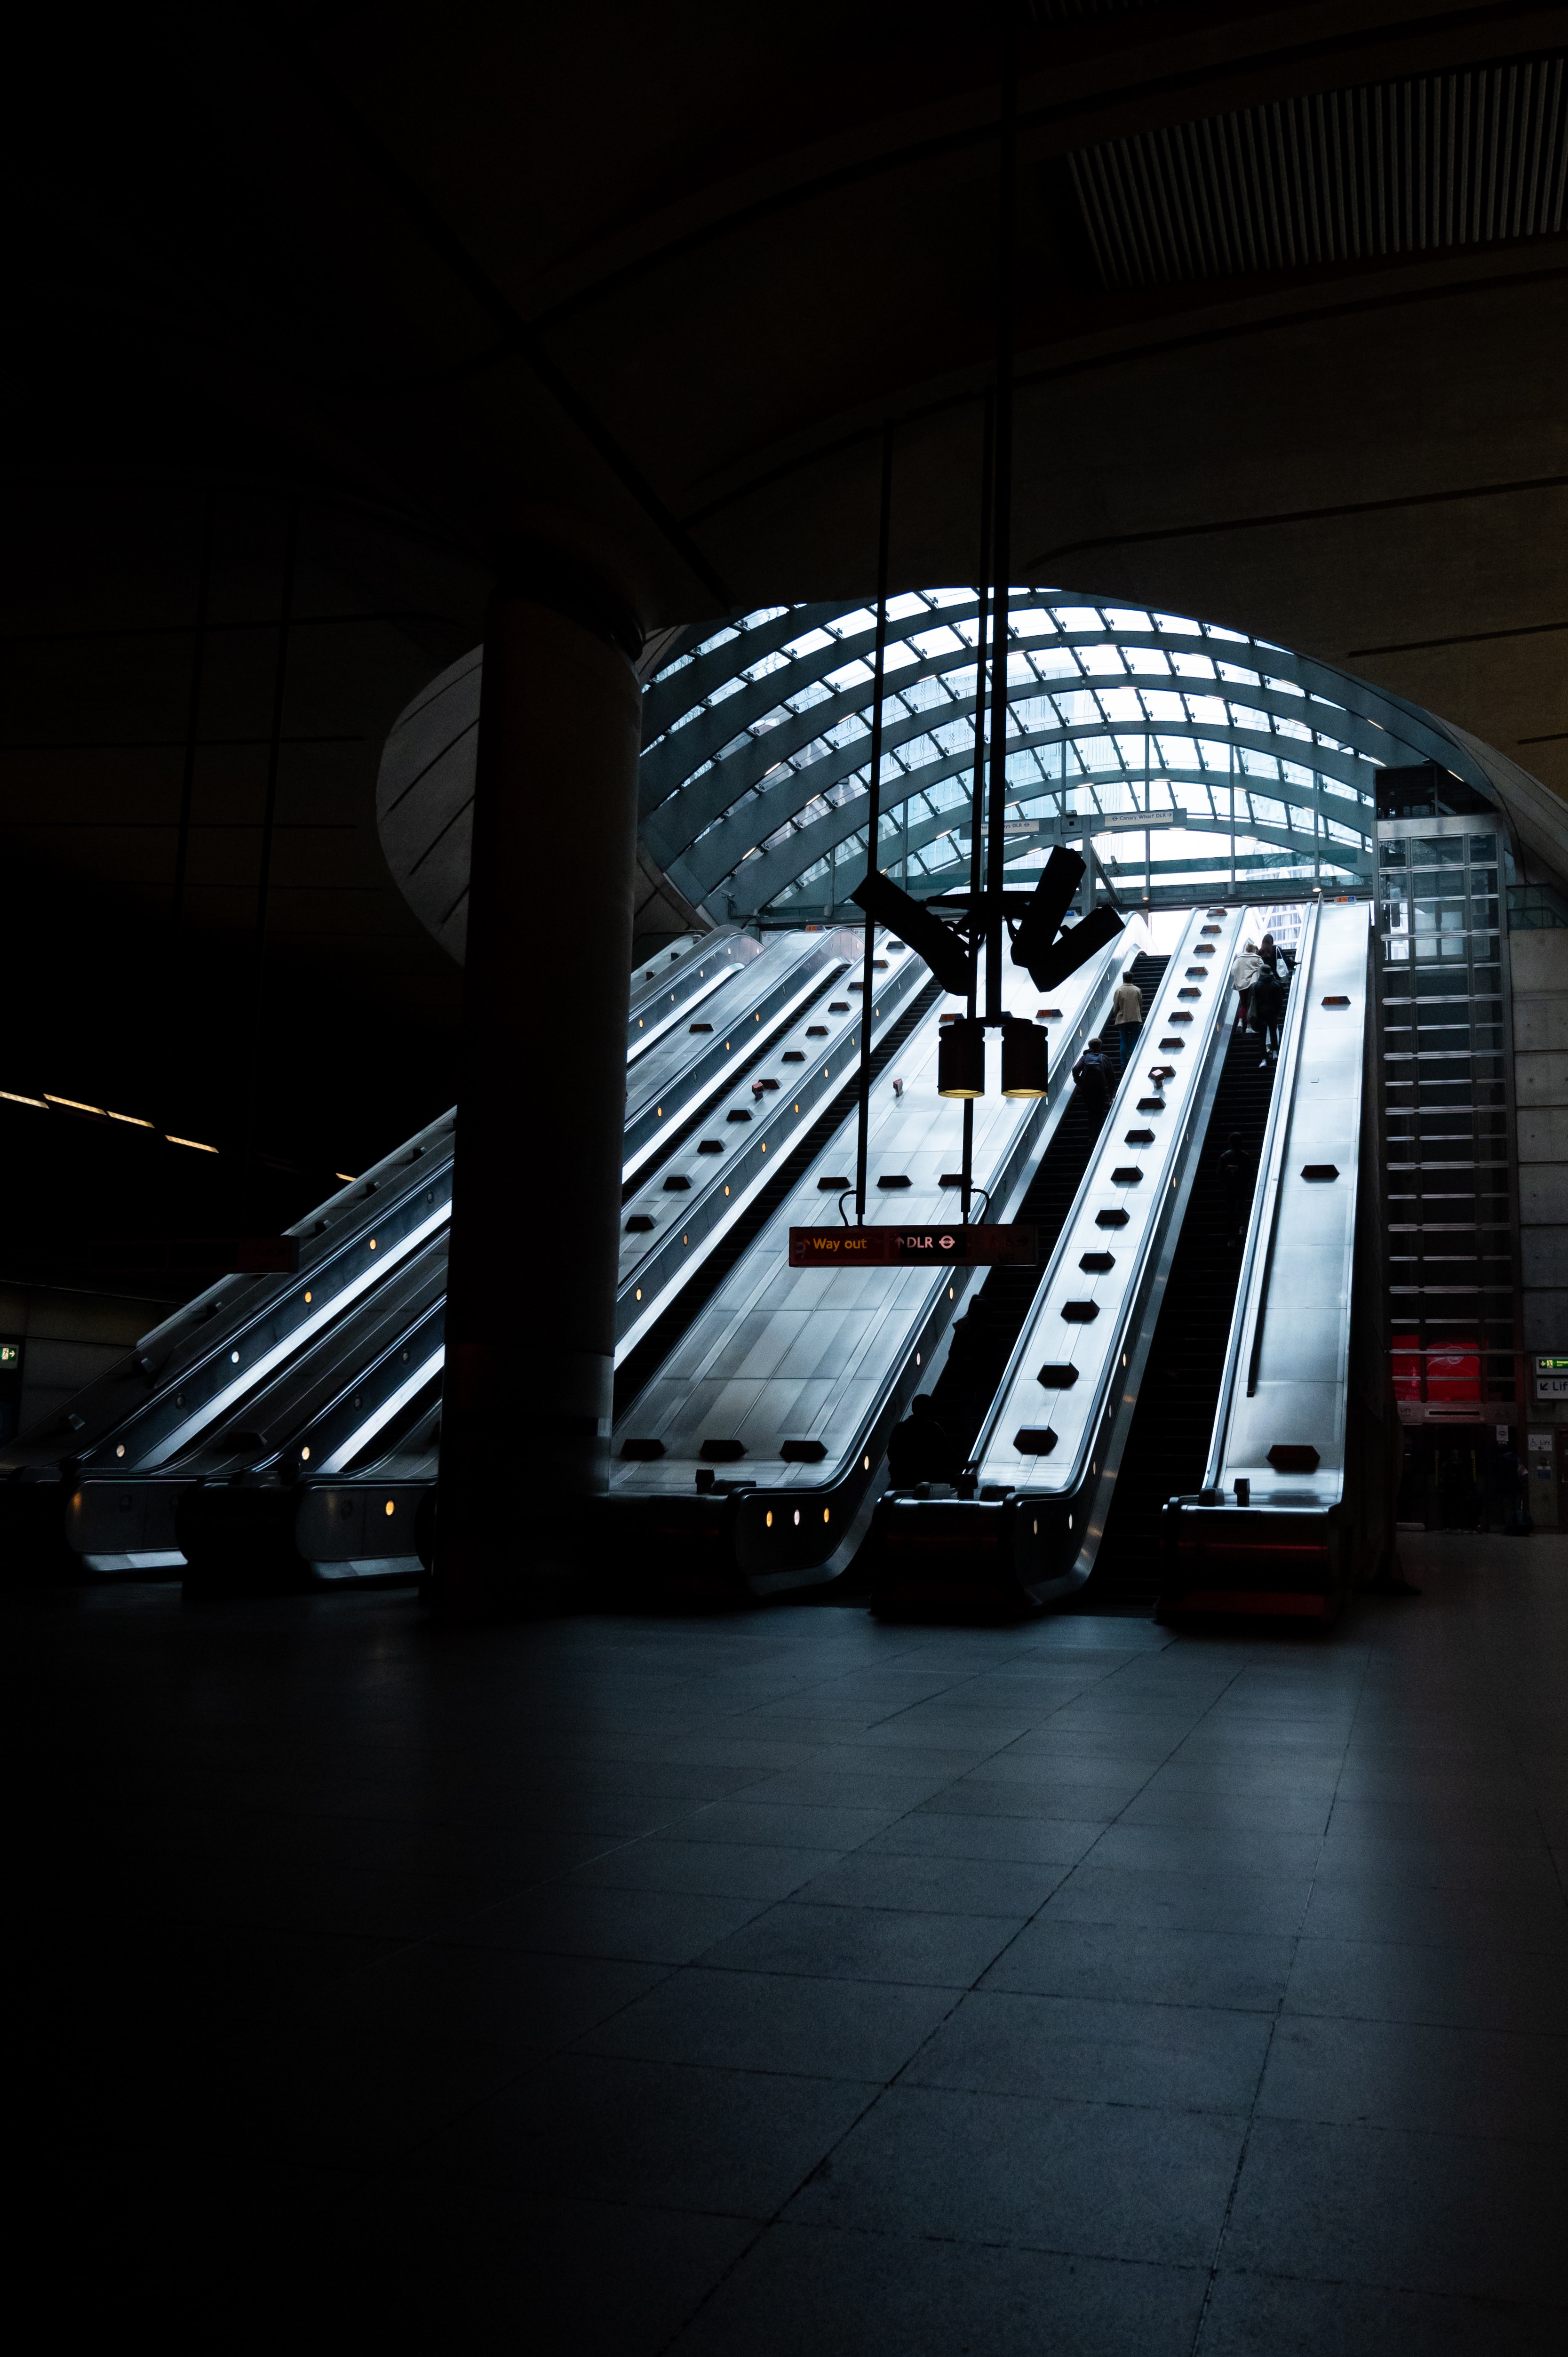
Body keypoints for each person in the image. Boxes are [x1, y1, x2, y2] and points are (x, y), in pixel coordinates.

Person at [886, 1392, 959, 1489]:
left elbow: (892, 1452)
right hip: (926, 1481)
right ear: (929, 1410)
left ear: (913, 1409)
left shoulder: (900, 1427)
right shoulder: (933, 1429)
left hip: (900, 1480)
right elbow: (949, 1453)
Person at [1253, 934, 1288, 1064]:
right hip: (1273, 1012)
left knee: (1263, 1035)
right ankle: (1275, 1052)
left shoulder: (1257, 986)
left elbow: (1255, 1001)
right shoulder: (1275, 985)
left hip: (1262, 1013)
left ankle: (1264, 1058)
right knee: (1274, 1031)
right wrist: (1277, 1010)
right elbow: (1279, 1001)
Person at [1217, 1130, 1254, 1248]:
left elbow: (1219, 1175)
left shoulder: (1224, 1157)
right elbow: (1252, 1174)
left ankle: (1231, 1239)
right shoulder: (1246, 1157)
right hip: (1242, 1186)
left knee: (1230, 1212)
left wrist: (1228, 1174)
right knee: (1242, 1207)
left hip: (1229, 1188)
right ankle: (1243, 1227)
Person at [1071, 1035, 1112, 1131]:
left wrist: (1080, 1083)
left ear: (1090, 1047)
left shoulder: (1085, 1058)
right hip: (1100, 1089)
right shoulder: (1105, 1059)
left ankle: (1091, 1134)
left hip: (1087, 1089)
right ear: (1100, 1047)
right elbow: (1111, 1078)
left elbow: (1076, 1069)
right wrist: (1111, 1095)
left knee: (1090, 1111)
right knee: (1099, 1112)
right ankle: (1098, 1133)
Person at [1110, 967, 1143, 1072]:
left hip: (1122, 1020)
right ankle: (1134, 1062)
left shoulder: (1119, 991)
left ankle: (1123, 1064)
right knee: (1134, 1040)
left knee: (1123, 1041)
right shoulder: (1137, 990)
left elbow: (1116, 1007)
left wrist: (1116, 1017)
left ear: (1124, 979)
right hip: (1135, 1019)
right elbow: (1140, 1005)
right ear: (1132, 979)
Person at [1228, 939, 1261, 1035]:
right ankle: (1249, 1027)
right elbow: (1261, 970)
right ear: (1254, 950)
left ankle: (1240, 1022)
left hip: (1241, 985)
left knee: (1243, 1004)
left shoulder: (1239, 959)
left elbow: (1233, 971)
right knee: (1251, 1004)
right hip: (1252, 984)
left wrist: (1238, 978)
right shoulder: (1257, 958)